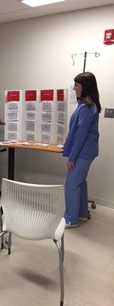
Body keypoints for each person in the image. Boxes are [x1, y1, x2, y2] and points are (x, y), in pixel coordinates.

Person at [63, 72, 101, 228]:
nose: (74, 88)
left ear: (85, 87)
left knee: (71, 185)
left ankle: (71, 219)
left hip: (82, 153)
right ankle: (82, 214)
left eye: (76, 85)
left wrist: (71, 158)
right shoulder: (86, 105)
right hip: (87, 151)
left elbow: (80, 136)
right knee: (80, 182)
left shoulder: (87, 108)